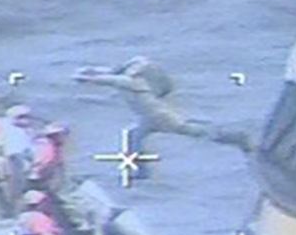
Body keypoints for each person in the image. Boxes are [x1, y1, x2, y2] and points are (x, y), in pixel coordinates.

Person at [73, 56, 254, 177]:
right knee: (133, 137)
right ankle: (141, 171)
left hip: (160, 117)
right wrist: (91, 69)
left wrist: (89, 78)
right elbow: (111, 72)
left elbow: (110, 79)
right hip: (148, 118)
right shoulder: (132, 78)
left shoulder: (133, 82)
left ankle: (236, 138)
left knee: (194, 131)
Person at [28, 123, 69, 192]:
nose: (64, 137)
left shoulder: (55, 147)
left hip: (44, 178)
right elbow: (46, 163)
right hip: (40, 179)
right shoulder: (48, 147)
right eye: (61, 135)